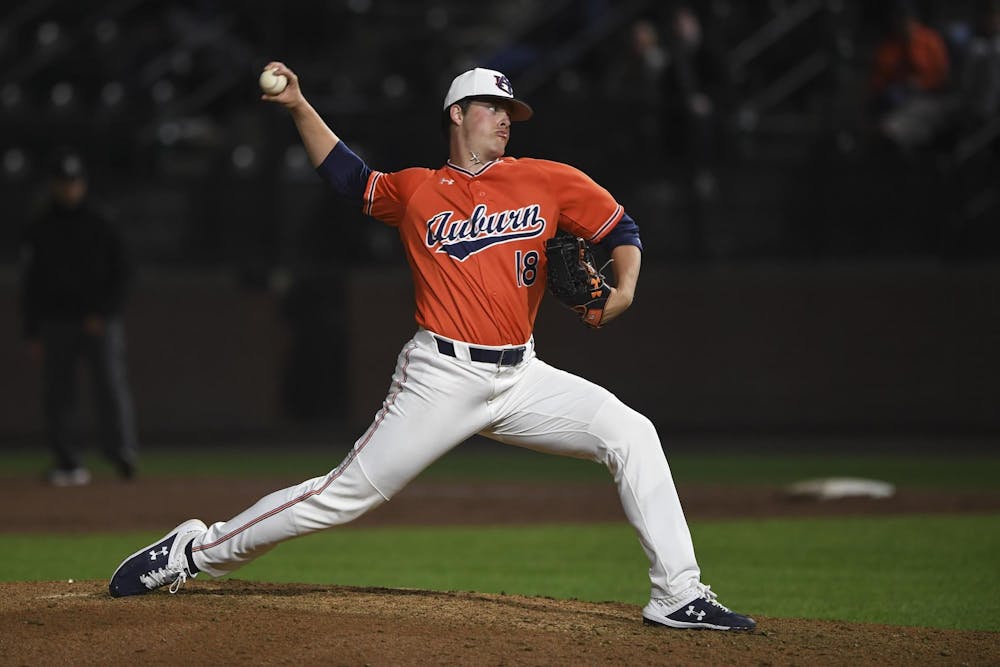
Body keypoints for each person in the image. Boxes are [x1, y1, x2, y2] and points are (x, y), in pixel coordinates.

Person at [108, 63, 756, 631]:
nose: (505, 121)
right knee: (342, 496)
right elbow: (346, 177)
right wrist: (301, 105)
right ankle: (192, 551)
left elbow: (622, 227)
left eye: (511, 112)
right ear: (457, 114)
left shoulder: (546, 180)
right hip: (440, 375)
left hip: (522, 376)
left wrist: (625, 291)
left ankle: (678, 592)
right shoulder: (416, 188)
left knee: (631, 433)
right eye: (492, 108)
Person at [18, 149, 139, 485]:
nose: (69, 189)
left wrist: (104, 312)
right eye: (63, 182)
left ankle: (122, 453)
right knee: (59, 393)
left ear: (82, 184)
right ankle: (68, 460)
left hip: (98, 321)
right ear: (54, 185)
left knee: (110, 386)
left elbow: (124, 272)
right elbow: (31, 283)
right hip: (56, 322)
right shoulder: (40, 226)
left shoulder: (102, 221)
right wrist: (31, 331)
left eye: (73, 182)